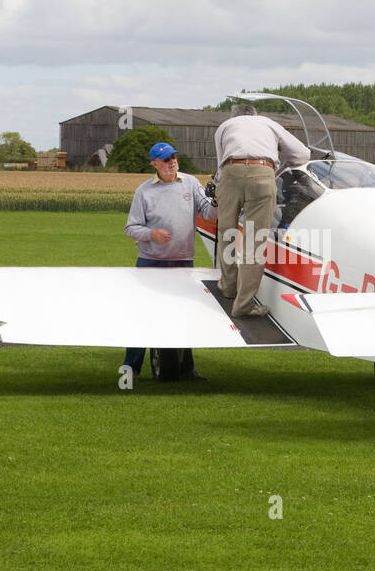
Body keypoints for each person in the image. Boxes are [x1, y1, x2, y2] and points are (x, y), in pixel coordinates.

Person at [122, 141, 215, 380]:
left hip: (183, 262)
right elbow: (131, 227)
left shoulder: (191, 183)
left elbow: (208, 213)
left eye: (173, 157)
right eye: (165, 160)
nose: (171, 162)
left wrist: (217, 201)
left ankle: (187, 369)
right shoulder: (144, 192)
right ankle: (130, 369)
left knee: (184, 314)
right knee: (143, 315)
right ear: (154, 164)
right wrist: (151, 234)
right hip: (150, 262)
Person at [212, 103, 310, 316]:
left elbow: (221, 163)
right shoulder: (269, 123)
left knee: (226, 232)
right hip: (263, 172)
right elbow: (302, 154)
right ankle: (244, 305)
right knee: (254, 241)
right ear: (256, 115)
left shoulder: (225, 126)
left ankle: (228, 288)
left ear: (234, 115)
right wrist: (276, 168)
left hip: (230, 172)